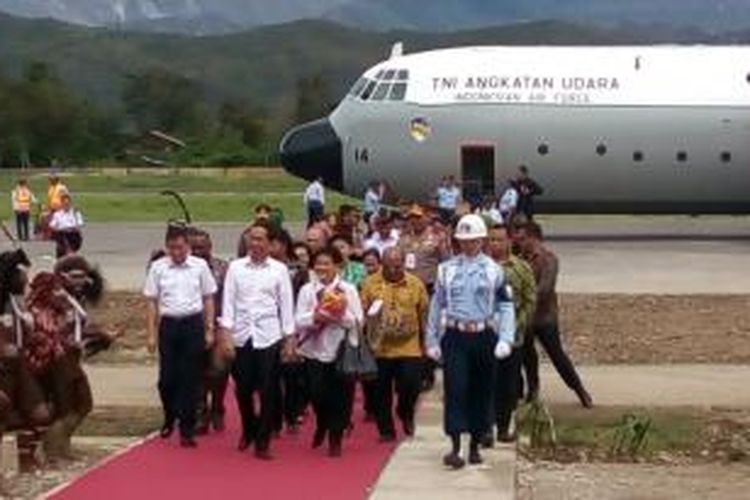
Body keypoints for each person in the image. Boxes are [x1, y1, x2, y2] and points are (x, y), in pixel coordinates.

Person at [425, 214, 516, 469]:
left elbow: (506, 305)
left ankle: (476, 443)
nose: (468, 246)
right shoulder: (447, 270)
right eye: (463, 241)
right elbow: (436, 306)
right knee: (456, 387)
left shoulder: (494, 270)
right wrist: (431, 339)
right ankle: (455, 445)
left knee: (481, 389)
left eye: (473, 241)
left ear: (482, 241)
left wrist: (506, 338)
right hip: (455, 335)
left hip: (483, 334)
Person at [220, 222, 296, 460]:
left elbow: (286, 305)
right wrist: (227, 334)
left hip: (268, 335)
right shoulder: (235, 268)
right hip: (242, 335)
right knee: (243, 389)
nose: (255, 244)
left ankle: (262, 440)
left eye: (260, 239)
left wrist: (289, 338)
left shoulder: (278, 270)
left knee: (268, 390)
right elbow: (228, 302)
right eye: (251, 239)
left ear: (270, 243)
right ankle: (249, 427)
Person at [144, 225, 217, 448]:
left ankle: (187, 428)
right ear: (167, 247)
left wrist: (209, 328)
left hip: (192, 323)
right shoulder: (158, 268)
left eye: (181, 247)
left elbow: (208, 298)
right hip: (169, 325)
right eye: (172, 248)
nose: (177, 252)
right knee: (167, 379)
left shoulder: (199, 266)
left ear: (188, 246)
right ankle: (169, 415)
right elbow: (151, 302)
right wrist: (151, 334)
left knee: (190, 379)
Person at [516, 222, 593, 408]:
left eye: (523, 238)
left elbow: (545, 289)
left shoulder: (549, 259)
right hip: (527, 317)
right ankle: (532, 392)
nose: (519, 241)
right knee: (527, 357)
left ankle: (579, 390)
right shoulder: (520, 258)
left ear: (533, 238)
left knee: (557, 356)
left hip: (544, 318)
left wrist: (523, 297)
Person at [295, 247, 363, 457]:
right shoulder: (308, 290)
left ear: (337, 266)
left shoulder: (347, 290)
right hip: (313, 351)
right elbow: (298, 320)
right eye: (318, 263)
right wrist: (315, 318)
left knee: (341, 396)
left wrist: (338, 315)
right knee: (317, 393)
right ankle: (322, 422)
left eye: (327, 263)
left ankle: (336, 436)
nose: (322, 268)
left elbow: (358, 321)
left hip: (341, 350)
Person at [361, 247, 428, 442]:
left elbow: (423, 313)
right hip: (379, 348)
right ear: (382, 264)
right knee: (380, 392)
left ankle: (405, 412)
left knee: (411, 385)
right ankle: (386, 430)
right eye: (389, 266)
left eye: (397, 266)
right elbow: (362, 310)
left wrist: (427, 342)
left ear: (403, 264)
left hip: (409, 346)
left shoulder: (415, 284)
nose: (393, 270)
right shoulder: (369, 284)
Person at [485, 224, 537, 444]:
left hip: (512, 338)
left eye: (499, 239)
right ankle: (486, 428)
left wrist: (518, 325)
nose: (495, 244)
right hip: (485, 335)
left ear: (509, 242)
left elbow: (529, 299)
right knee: (487, 384)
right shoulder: (480, 267)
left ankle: (504, 427)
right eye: (492, 240)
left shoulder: (521, 268)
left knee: (509, 385)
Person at [188, 229, 230, 434]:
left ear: (210, 247)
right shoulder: (184, 269)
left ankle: (217, 406)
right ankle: (200, 412)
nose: (197, 251)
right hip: (193, 326)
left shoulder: (224, 268)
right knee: (196, 372)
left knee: (218, 370)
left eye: (201, 247)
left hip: (220, 325)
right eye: (193, 247)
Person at [49, 194, 84, 258]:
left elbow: (80, 223)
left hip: (73, 235)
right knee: (61, 241)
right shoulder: (58, 214)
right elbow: (52, 225)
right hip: (62, 234)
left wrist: (74, 227)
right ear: (61, 204)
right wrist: (57, 228)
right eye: (65, 203)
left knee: (73, 239)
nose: (66, 205)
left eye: (68, 204)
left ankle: (70, 253)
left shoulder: (75, 213)